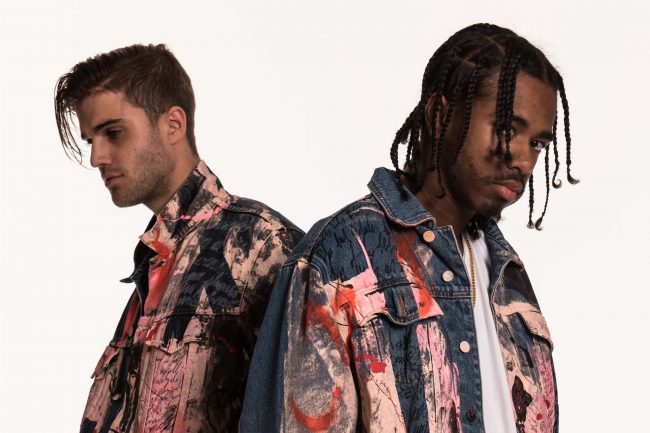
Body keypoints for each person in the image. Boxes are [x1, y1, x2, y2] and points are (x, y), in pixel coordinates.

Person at [240, 23, 577, 433]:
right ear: (440, 115)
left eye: (537, 143)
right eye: (508, 130)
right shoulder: (341, 255)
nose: (524, 161)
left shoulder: (508, 274)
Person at [54, 44, 303, 433]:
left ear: (173, 124)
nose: (96, 157)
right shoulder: (154, 267)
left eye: (113, 133)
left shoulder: (260, 246)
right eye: (91, 140)